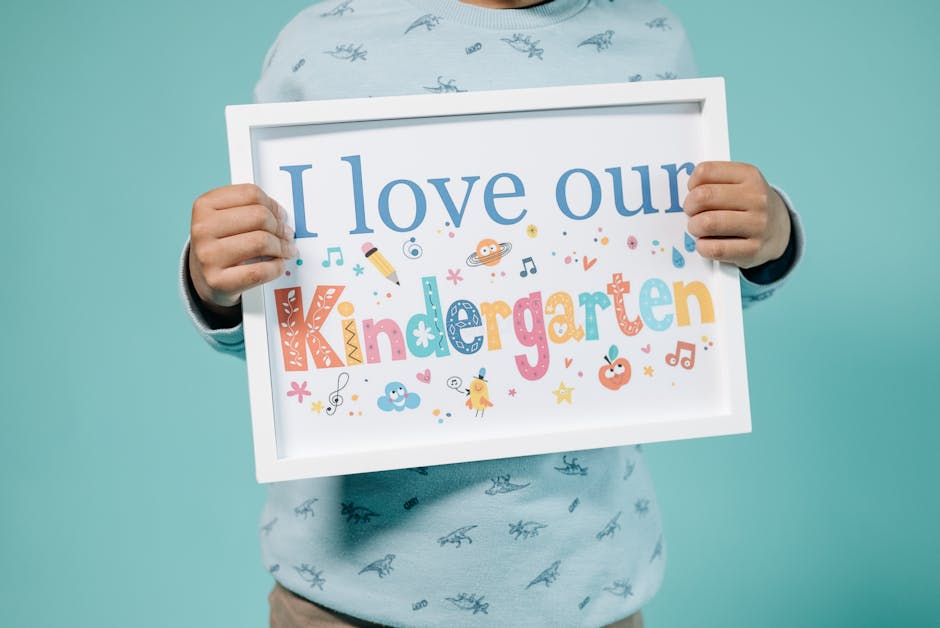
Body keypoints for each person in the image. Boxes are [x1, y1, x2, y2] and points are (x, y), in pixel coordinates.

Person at [180, 1, 803, 626]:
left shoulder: (648, 41)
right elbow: (283, 333)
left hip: (585, 586)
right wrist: (221, 283)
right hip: (346, 595)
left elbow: (681, 297)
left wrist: (763, 240)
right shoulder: (322, 45)